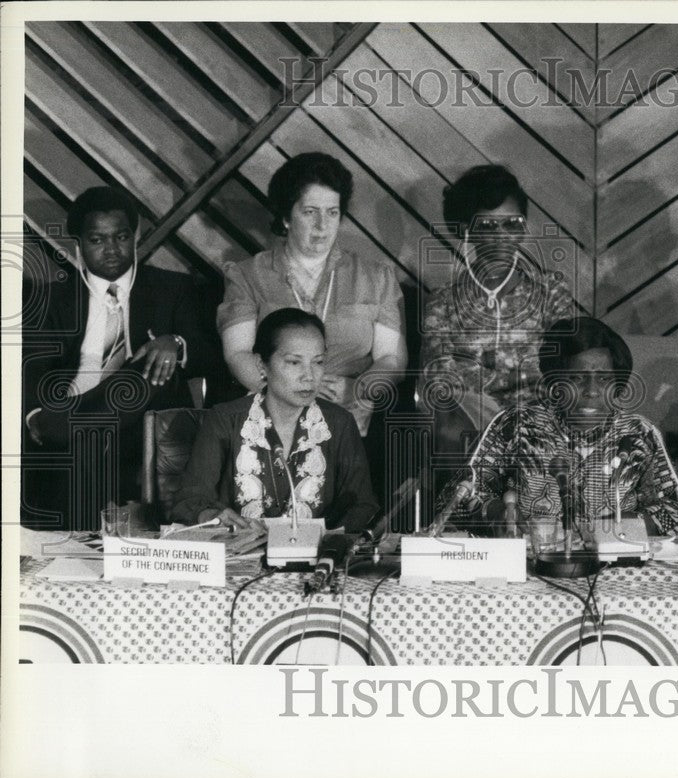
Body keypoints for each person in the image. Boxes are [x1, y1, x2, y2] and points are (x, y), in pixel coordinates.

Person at [21, 186, 222, 530]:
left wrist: (175, 343)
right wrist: (35, 414)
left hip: (141, 421)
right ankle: (76, 427)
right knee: (84, 435)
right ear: (78, 245)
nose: (112, 249)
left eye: (121, 237)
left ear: (135, 237)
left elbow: (210, 360)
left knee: (151, 367)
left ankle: (74, 428)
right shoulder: (52, 298)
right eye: (97, 240)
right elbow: (31, 369)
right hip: (71, 407)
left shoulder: (173, 288)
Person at [434, 317, 678, 538]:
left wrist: (620, 527)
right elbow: (455, 499)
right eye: (576, 378)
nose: (591, 391)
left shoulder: (638, 434)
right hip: (531, 564)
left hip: (619, 565)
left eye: (604, 379)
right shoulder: (515, 425)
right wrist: (497, 513)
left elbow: (675, 513)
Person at [217, 152, 406, 436]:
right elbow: (237, 354)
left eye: (332, 212)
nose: (322, 225)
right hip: (273, 420)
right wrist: (292, 394)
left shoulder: (376, 277)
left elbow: (391, 358)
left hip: (352, 421)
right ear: (286, 217)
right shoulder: (247, 275)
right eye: (310, 212)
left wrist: (360, 389)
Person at [172, 309, 378, 533]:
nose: (309, 376)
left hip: (317, 552)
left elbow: (362, 505)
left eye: (318, 362)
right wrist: (211, 516)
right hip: (237, 553)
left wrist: (332, 540)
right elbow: (189, 500)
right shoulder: (225, 420)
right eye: (294, 363)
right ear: (262, 365)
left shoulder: (339, 423)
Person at [419, 165, 579, 433]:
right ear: (466, 230)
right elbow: (440, 376)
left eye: (512, 224)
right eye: (487, 225)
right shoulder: (444, 302)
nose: (502, 236)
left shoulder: (550, 291)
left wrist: (482, 374)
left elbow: (564, 365)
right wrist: (519, 376)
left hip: (541, 423)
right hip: (471, 426)